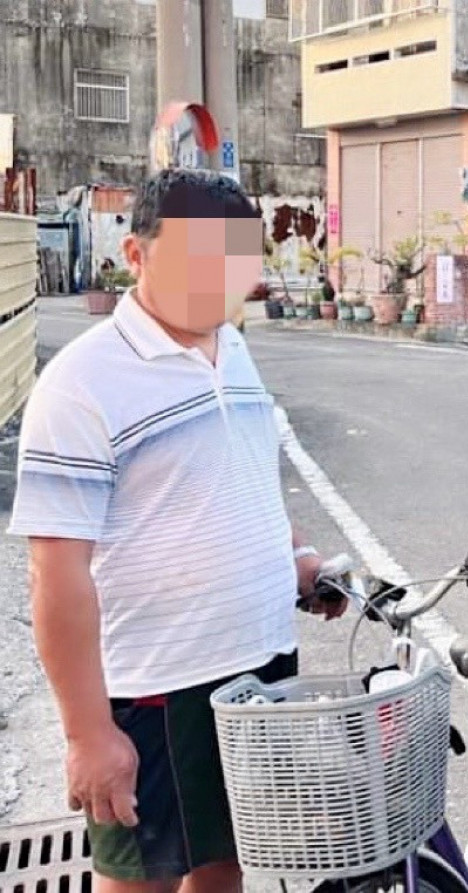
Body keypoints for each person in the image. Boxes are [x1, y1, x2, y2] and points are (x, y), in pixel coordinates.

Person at [6, 168, 345, 893]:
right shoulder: (82, 383)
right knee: (141, 882)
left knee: (223, 867)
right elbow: (54, 573)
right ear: (136, 254)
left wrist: (297, 560)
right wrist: (88, 734)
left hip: (254, 671)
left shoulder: (233, 350)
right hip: (156, 686)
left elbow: (243, 478)